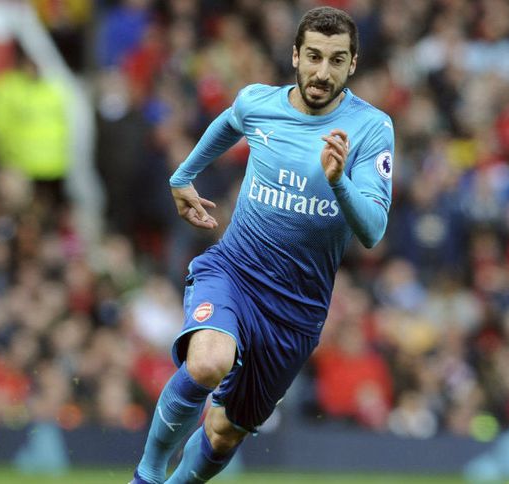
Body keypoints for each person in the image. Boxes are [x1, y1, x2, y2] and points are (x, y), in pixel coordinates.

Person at [131, 7, 393, 483]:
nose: (322, 72)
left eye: (336, 60)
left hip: (296, 311)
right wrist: (183, 175)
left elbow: (373, 230)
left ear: (353, 64)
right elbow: (230, 122)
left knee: (223, 431)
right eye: (313, 56)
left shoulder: (371, 128)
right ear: (295, 55)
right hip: (234, 272)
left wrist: (339, 182)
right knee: (208, 362)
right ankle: (146, 477)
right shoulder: (260, 102)